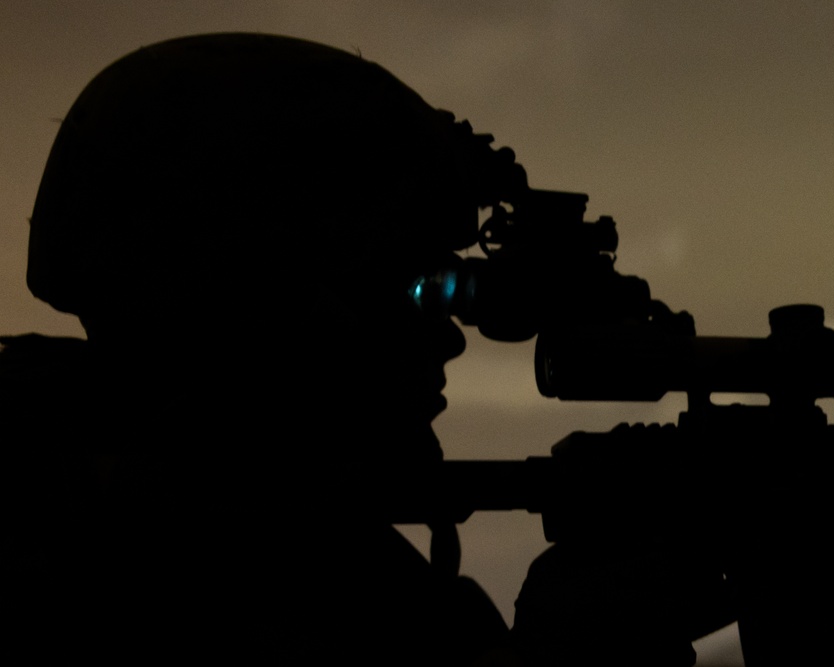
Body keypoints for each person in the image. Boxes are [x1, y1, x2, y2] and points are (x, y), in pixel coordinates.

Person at [1, 32, 521, 663]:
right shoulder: (154, 571)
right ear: (256, 292)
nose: (446, 338)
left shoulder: (106, 512)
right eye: (418, 286)